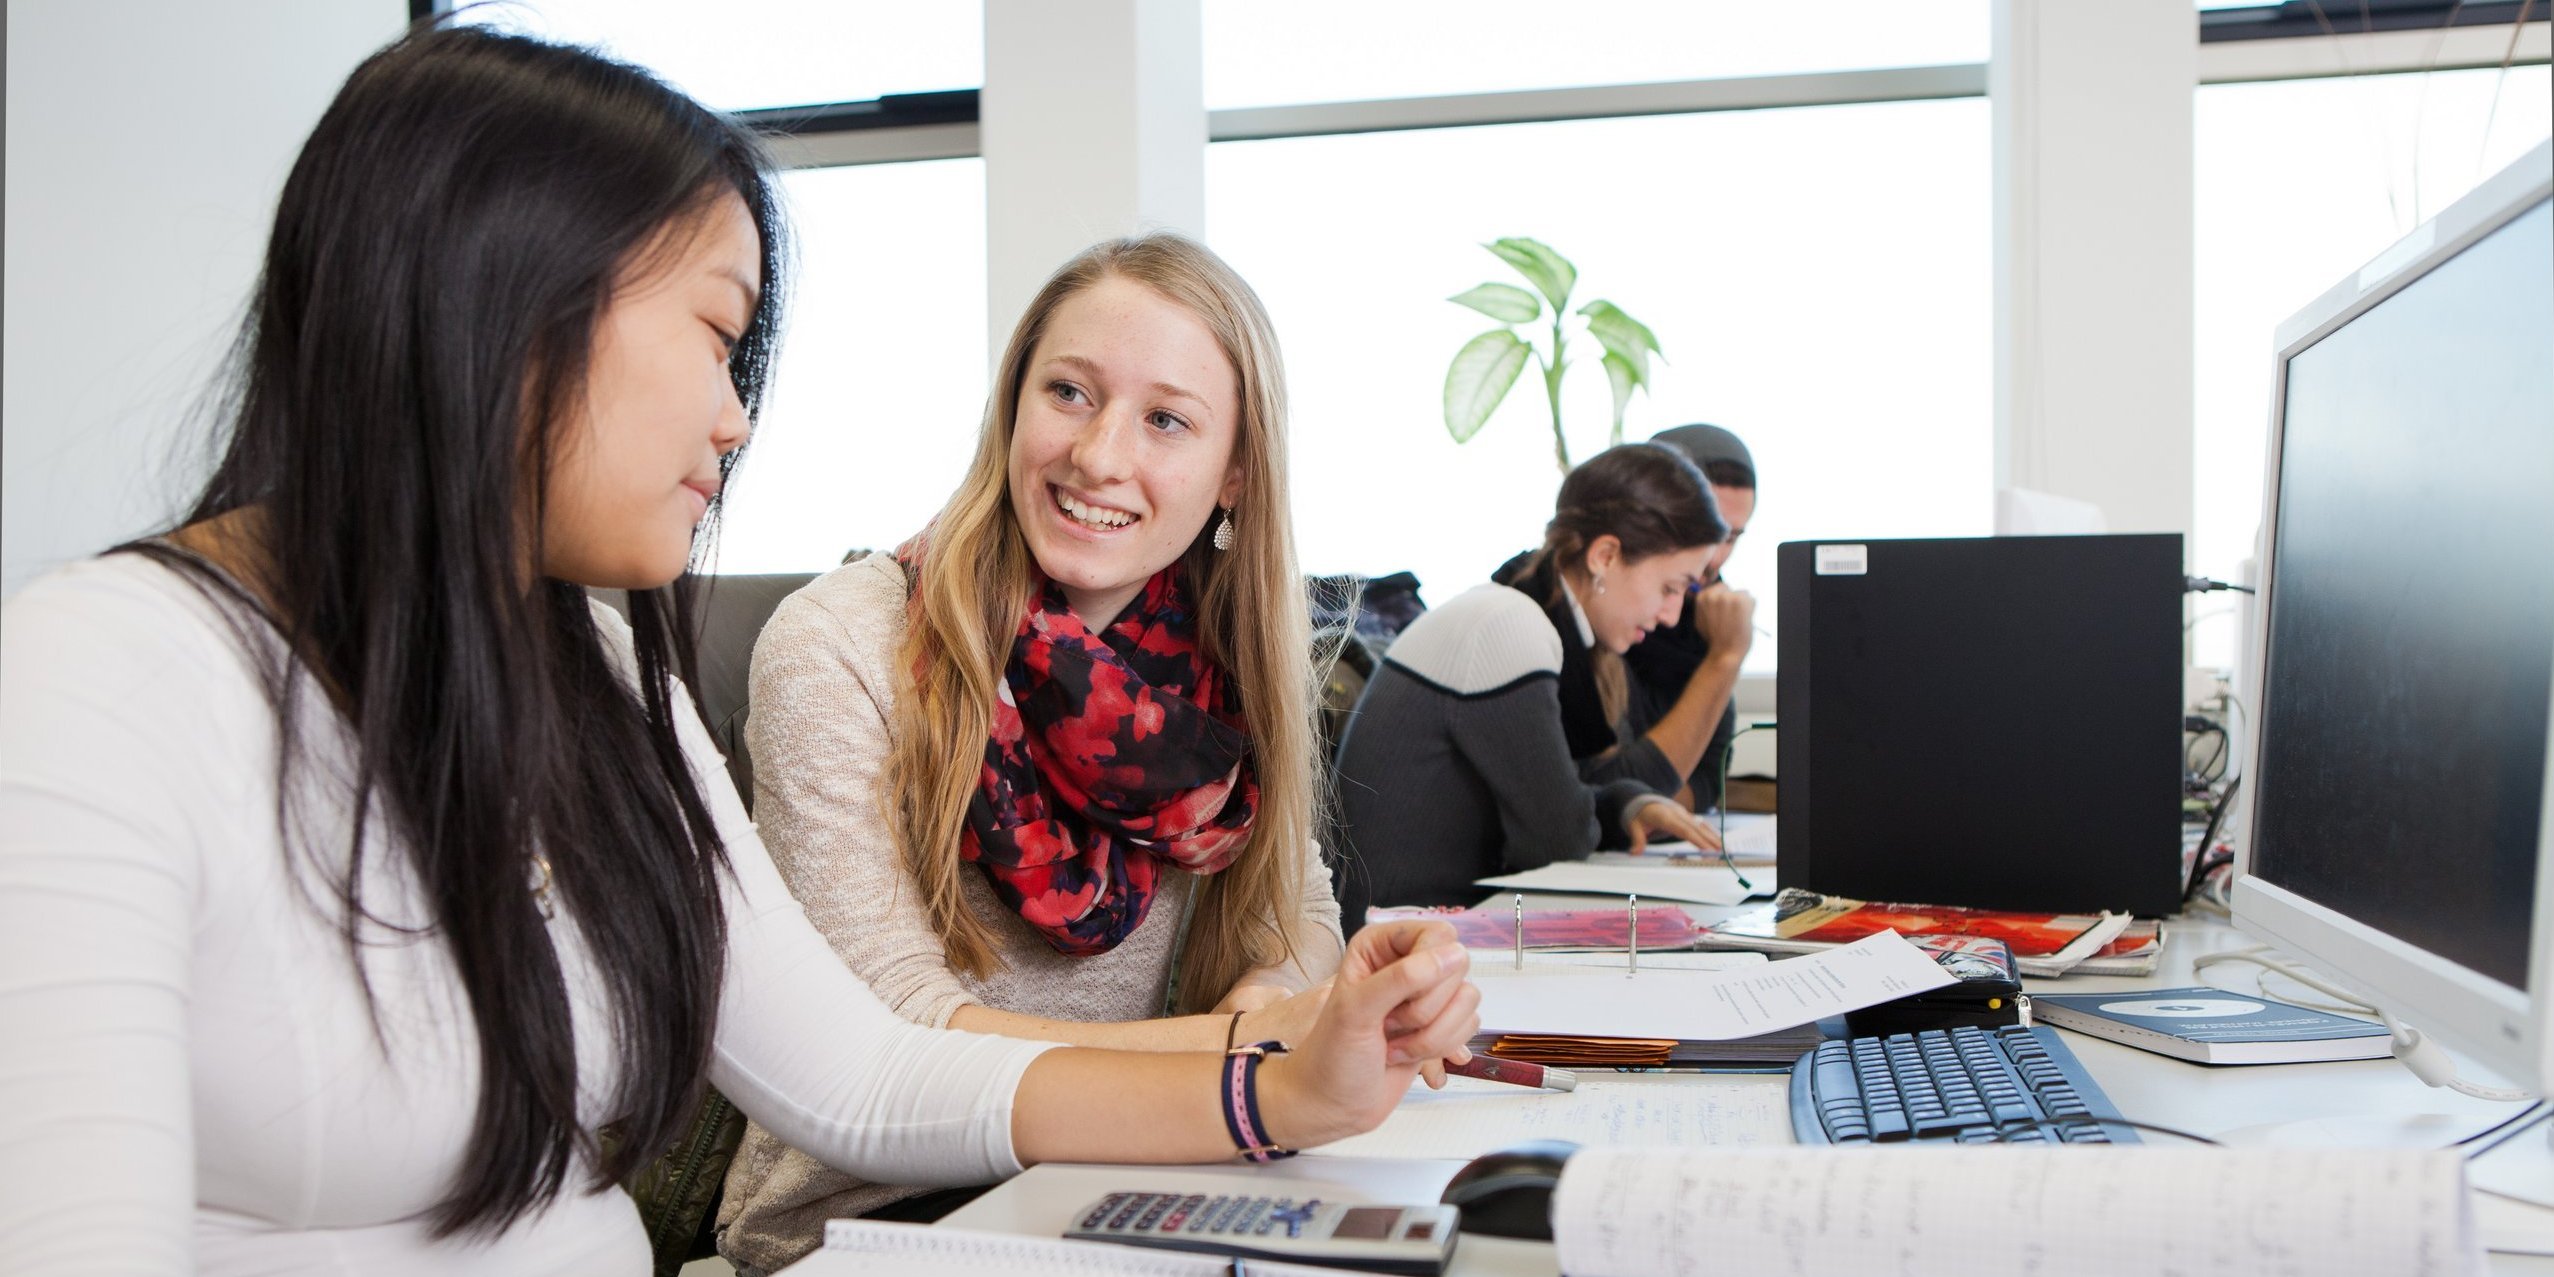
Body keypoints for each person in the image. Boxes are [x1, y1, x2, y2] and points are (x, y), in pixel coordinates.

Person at [0, 29, 1476, 1274]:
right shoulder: (100, 683)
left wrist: (1285, 1082)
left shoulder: (580, 664)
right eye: (718, 339)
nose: (735, 419)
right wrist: (1258, 1071)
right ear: (505, 309)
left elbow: (860, 1074)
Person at [715, 235, 1349, 1269]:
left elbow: (1299, 912)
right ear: (1011, 406)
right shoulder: (839, 643)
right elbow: (902, 1034)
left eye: (1165, 419)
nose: (1100, 455)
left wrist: (1268, 1000)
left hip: (1135, 1167)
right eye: (1069, 392)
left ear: (1234, 471)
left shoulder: (1228, 667)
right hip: (883, 1209)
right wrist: (1249, 1060)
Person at [1329, 443, 1731, 929]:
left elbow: (1556, 799)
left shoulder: (1526, 617)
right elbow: (1556, 839)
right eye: (1671, 587)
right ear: (1605, 555)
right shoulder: (1508, 625)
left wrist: (1624, 802)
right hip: (1398, 942)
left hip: (1430, 923)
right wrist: (1614, 801)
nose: (1671, 616)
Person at [1619, 423, 1760, 808]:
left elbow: (1707, 782)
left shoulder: (1701, 619)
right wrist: (1724, 658)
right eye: (1707, 530)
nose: (1714, 558)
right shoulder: (1603, 614)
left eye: (1731, 538)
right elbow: (1620, 788)